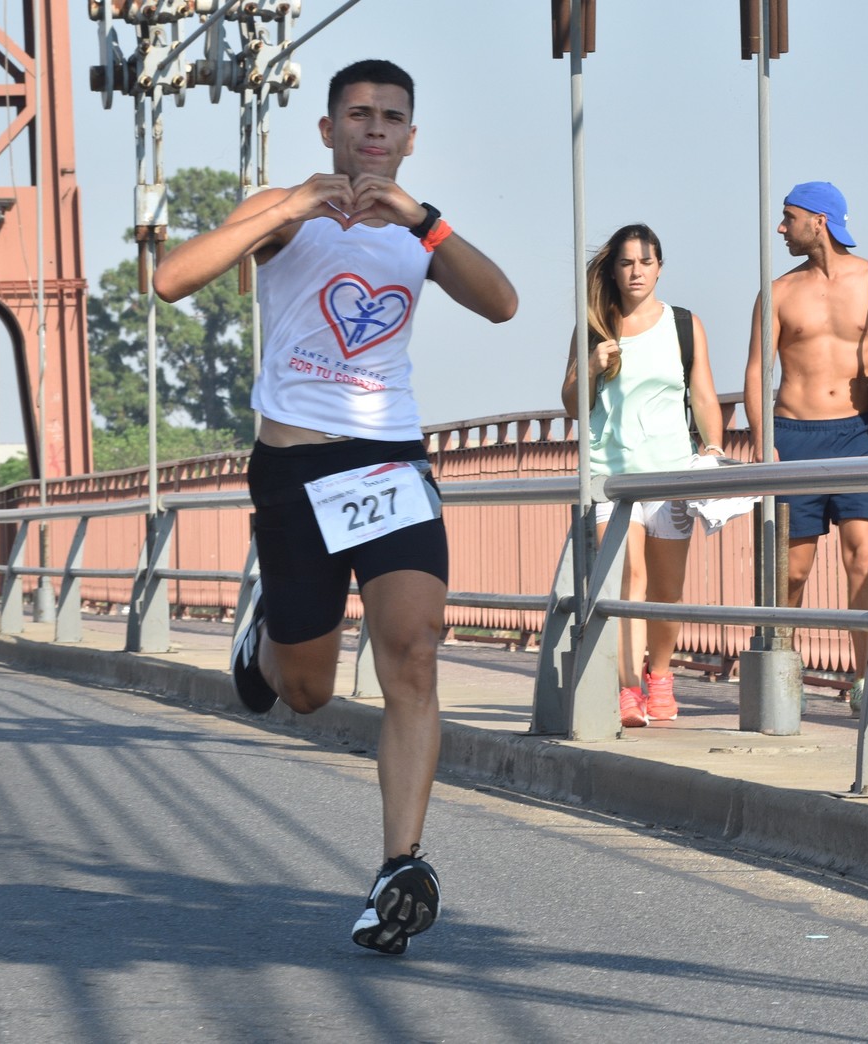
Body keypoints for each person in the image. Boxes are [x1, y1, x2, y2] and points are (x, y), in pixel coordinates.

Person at [153, 59, 517, 954]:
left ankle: (400, 864)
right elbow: (170, 280)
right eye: (358, 115)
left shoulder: (415, 233)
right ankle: (268, 630)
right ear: (328, 128)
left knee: (413, 653)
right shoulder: (285, 211)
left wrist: (425, 225)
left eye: (392, 117)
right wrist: (281, 212)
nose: (375, 130)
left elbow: (503, 305)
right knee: (307, 693)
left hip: (388, 463)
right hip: (294, 472)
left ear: (410, 135)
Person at [743, 182, 868, 716]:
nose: (780, 228)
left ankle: (867, 680)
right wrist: (761, 440)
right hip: (793, 437)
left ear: (818, 221)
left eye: (787, 217)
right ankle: (781, 673)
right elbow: (756, 372)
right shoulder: (775, 292)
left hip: (860, 434)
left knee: (863, 554)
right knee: (790, 571)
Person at [561, 224, 726, 728]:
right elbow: (571, 405)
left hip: (671, 471)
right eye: (627, 263)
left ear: (659, 267)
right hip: (611, 476)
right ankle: (627, 688)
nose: (636, 272)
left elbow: (702, 394)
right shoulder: (593, 324)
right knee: (627, 579)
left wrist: (713, 448)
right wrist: (590, 365)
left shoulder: (683, 324)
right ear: (614, 269)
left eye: (645, 263)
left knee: (667, 587)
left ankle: (661, 678)